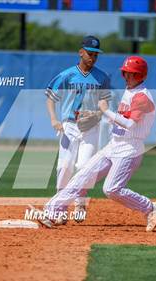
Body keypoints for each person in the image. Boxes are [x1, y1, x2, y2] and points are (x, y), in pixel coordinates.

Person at [31, 55, 156, 232]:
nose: (128, 77)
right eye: (126, 73)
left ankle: (149, 207)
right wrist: (97, 115)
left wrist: (105, 111)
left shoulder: (142, 97)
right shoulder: (130, 91)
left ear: (141, 76)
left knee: (112, 189)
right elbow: (121, 118)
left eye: (133, 74)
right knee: (81, 177)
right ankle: (51, 212)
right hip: (114, 145)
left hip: (129, 150)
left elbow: (130, 124)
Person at [45, 35, 111, 224]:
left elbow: (104, 103)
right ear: (80, 52)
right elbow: (50, 97)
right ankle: (60, 208)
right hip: (69, 126)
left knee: (83, 167)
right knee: (64, 166)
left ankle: (80, 201)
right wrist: (53, 119)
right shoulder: (67, 75)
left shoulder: (102, 77)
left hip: (91, 127)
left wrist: (97, 115)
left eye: (96, 55)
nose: (92, 57)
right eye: (90, 53)